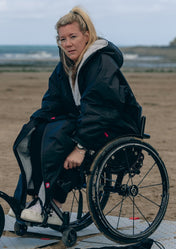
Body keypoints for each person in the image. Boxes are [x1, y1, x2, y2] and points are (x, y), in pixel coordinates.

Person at [11, 6, 142, 225]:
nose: (67, 43)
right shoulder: (64, 66)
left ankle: (52, 203)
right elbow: (52, 101)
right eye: (62, 39)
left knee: (60, 134)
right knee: (38, 130)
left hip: (114, 124)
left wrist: (80, 148)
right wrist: (38, 122)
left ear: (87, 36)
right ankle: (37, 201)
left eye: (73, 37)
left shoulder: (101, 62)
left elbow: (99, 108)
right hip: (88, 120)